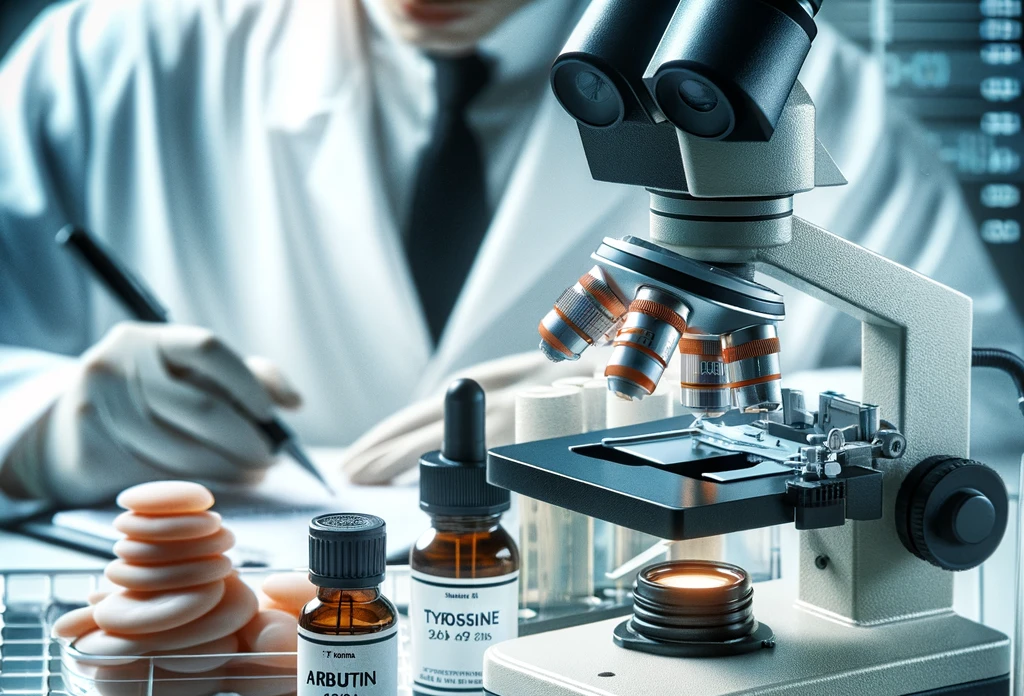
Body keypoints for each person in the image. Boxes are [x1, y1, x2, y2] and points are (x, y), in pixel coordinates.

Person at [0, 0, 1020, 517]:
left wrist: (706, 431)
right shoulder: (104, 62)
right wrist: (42, 425)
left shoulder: (785, 85)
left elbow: (985, 419)